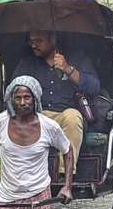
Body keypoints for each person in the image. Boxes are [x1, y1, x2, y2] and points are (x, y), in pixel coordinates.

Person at [0, 76, 74, 209]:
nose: (22, 103)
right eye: (18, 98)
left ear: (35, 98)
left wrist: (67, 187)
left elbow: (68, 150)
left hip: (39, 195)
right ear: (12, 100)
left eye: (27, 97)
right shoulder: (0, 122)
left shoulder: (49, 126)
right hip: (8, 196)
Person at [12, 31, 101, 171]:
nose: (34, 45)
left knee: (72, 116)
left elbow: (94, 87)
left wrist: (68, 69)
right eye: (31, 41)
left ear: (52, 39)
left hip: (66, 115)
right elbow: (13, 89)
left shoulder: (76, 58)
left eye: (39, 40)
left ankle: (64, 174)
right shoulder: (28, 63)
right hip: (38, 115)